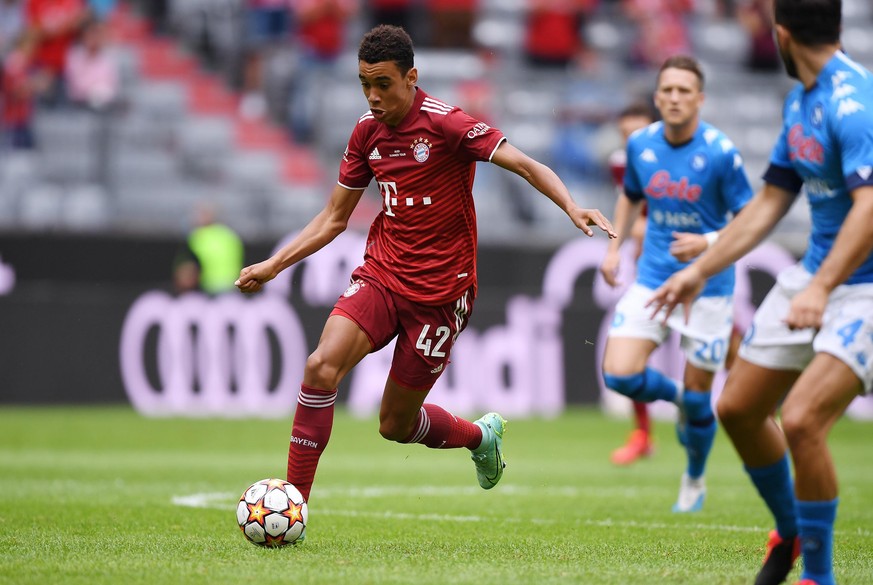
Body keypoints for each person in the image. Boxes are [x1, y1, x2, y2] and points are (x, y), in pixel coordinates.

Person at [235, 24, 616, 533]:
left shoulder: (448, 125)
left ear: (411, 78)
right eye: (364, 84)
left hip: (441, 295)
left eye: (384, 84)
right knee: (320, 367)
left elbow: (522, 163)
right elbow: (332, 219)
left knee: (394, 424)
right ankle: (294, 506)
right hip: (383, 275)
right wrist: (274, 265)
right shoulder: (366, 134)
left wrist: (571, 204)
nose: (373, 97)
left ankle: (481, 439)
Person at [647, 1, 873, 583]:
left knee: (800, 420)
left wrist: (821, 288)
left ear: (780, 34)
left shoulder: (855, 101)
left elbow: (870, 207)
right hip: (818, 273)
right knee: (738, 408)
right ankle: (792, 529)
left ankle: (818, 576)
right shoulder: (801, 102)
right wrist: (702, 269)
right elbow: (770, 201)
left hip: (862, 286)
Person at [598, 55, 753, 512]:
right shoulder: (641, 145)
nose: (674, 98)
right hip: (653, 278)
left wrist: (707, 241)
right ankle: (680, 399)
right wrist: (613, 247)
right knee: (619, 374)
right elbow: (630, 197)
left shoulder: (721, 152)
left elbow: (751, 223)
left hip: (709, 284)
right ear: (657, 97)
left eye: (684, 90)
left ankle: (694, 478)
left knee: (705, 404)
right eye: (667, 90)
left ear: (700, 99)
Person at [604, 100, 658, 465]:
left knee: (726, 343)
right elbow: (631, 211)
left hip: (696, 262)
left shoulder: (676, 155)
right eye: (625, 134)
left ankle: (763, 413)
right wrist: (619, 246)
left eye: (637, 133)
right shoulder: (621, 162)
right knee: (629, 352)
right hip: (653, 268)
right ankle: (642, 434)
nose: (631, 141)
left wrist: (643, 234)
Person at [173, 202, 245, 295]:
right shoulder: (230, 235)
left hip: (208, 288)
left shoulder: (198, 237)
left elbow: (188, 267)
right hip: (232, 285)